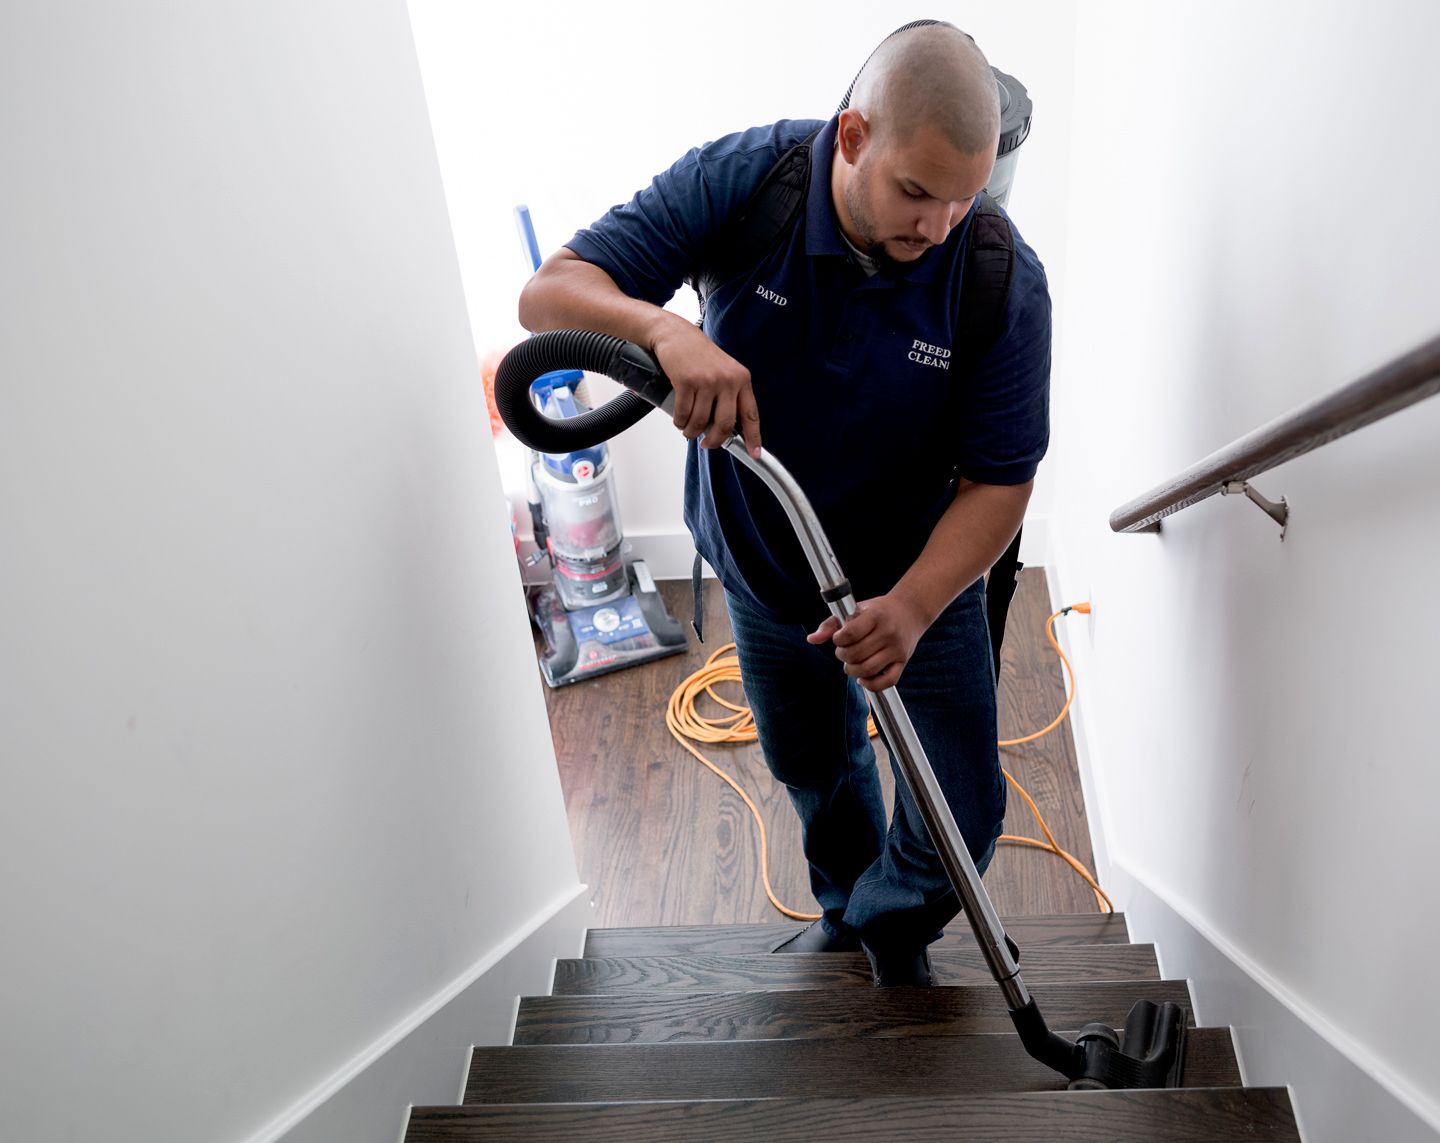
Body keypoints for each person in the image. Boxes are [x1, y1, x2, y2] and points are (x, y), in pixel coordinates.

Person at [519, 23, 1051, 986]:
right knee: (814, 763)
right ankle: (847, 909)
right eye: (916, 192)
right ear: (853, 138)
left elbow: (1002, 477)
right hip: (766, 564)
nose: (936, 226)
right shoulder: (749, 183)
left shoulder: (997, 277)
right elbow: (549, 294)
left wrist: (918, 604)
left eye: (962, 198)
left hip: (916, 577)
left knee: (962, 812)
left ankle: (894, 928)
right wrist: (664, 333)